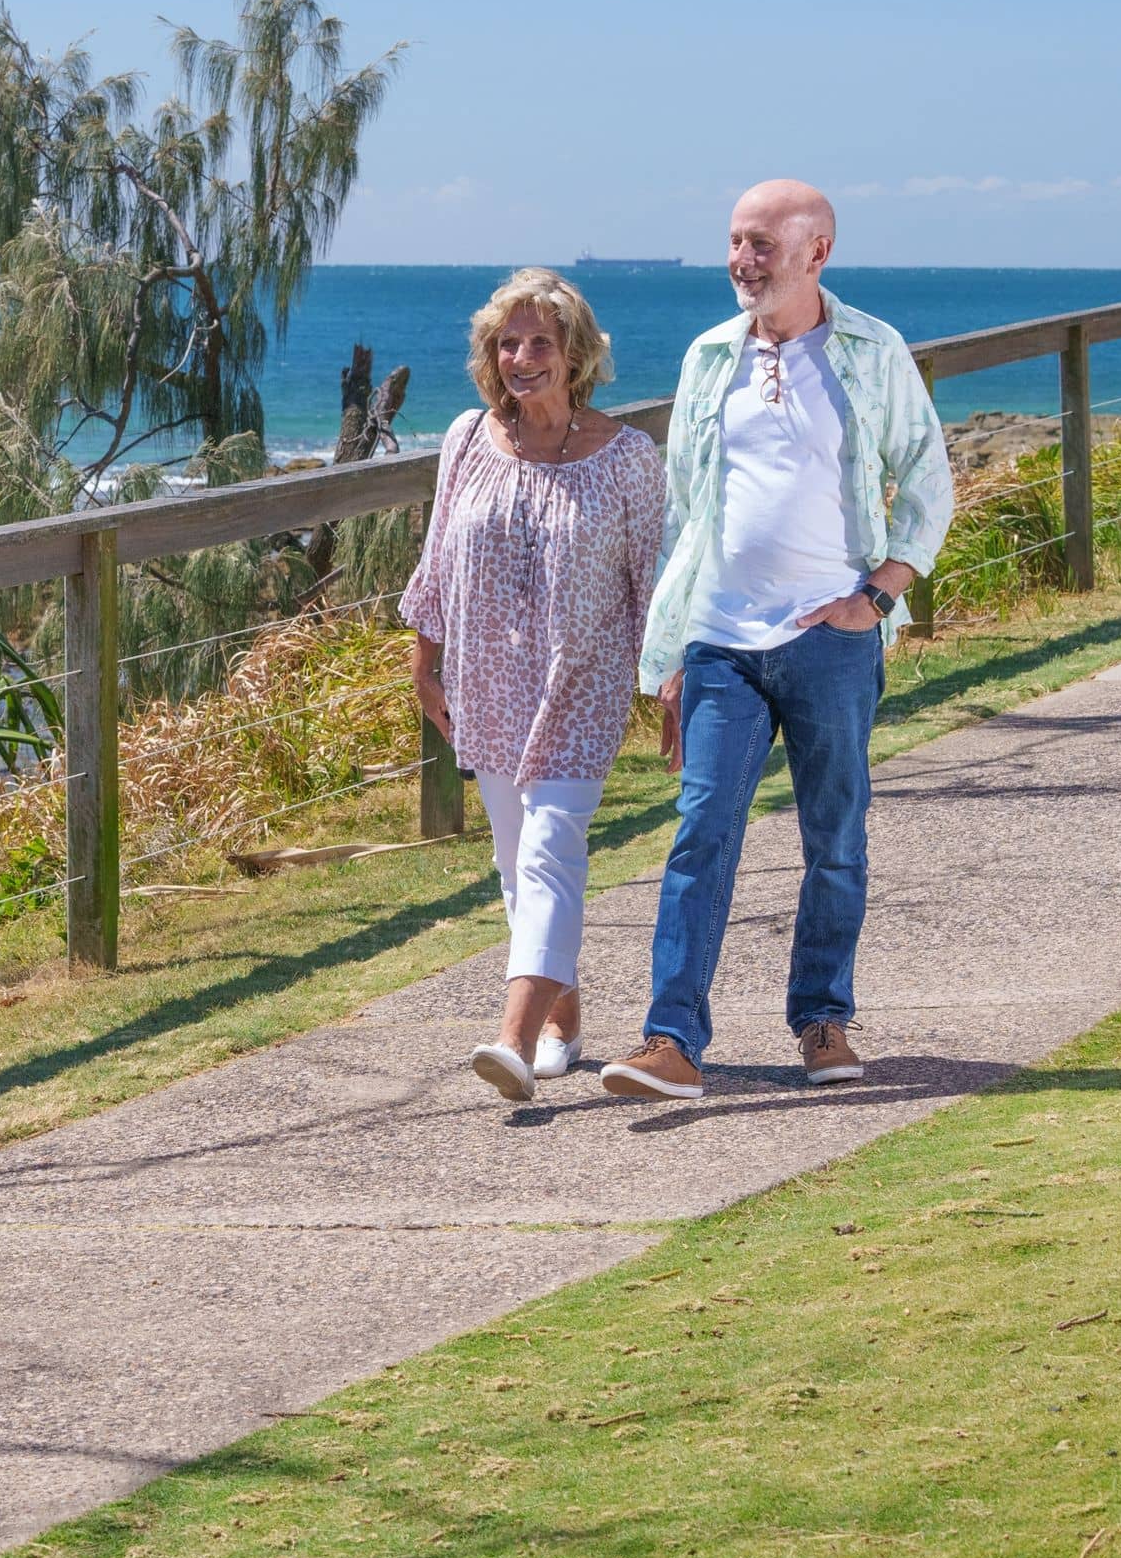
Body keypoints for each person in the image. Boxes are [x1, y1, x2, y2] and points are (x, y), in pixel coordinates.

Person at [600, 181, 955, 1103]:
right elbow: (685, 510)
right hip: (722, 637)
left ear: (817, 251)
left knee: (833, 834)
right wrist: (674, 651)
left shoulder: (874, 352)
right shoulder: (709, 356)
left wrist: (874, 599)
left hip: (831, 638)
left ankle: (822, 1018)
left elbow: (928, 485)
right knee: (700, 829)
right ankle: (671, 1040)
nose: (742, 261)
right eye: (734, 242)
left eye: (761, 244)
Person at [403, 268, 667, 1104]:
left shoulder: (627, 459)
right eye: (507, 343)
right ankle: (565, 1020)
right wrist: (424, 658)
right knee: (519, 866)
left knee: (551, 852)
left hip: (580, 688)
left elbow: (655, 585)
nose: (522, 358)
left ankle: (512, 1040)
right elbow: (439, 557)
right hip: (485, 681)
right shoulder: (467, 440)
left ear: (576, 353)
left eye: (540, 343)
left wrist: (671, 687)